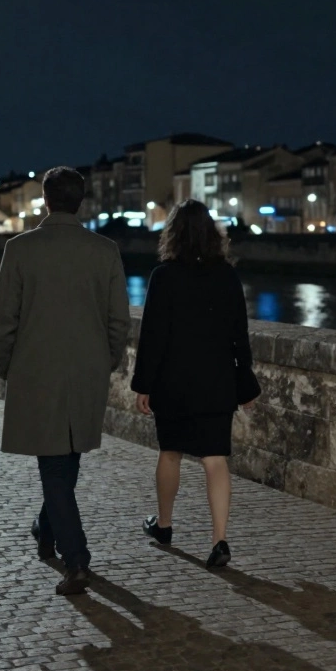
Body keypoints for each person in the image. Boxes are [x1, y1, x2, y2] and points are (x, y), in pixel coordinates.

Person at [0, 166, 130, 596]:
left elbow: (5, 320)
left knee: (57, 466)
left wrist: (6, 364)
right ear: (81, 201)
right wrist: (106, 360)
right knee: (64, 463)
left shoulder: (19, 249)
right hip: (86, 371)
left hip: (38, 372)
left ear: (47, 201)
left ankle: (76, 562)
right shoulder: (104, 250)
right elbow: (118, 320)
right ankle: (45, 528)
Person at [131, 199, 260, 569]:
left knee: (170, 452)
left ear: (173, 234)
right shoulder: (227, 276)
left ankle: (165, 525)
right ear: (212, 234)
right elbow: (240, 336)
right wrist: (244, 380)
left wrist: (144, 385)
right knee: (215, 460)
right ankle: (219, 540)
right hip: (216, 381)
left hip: (173, 381)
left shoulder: (164, 276)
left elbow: (152, 336)